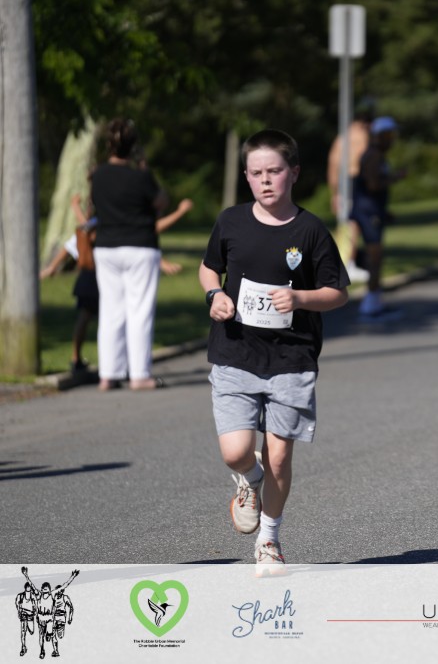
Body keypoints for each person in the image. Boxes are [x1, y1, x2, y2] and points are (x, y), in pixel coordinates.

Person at [199, 129, 349, 576]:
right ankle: (250, 477)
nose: (265, 180)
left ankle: (269, 540)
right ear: (246, 176)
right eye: (256, 173)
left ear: (294, 173)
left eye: (275, 171)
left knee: (280, 456)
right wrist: (214, 296)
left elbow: (338, 292)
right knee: (235, 451)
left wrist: (301, 298)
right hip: (235, 353)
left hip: (291, 360)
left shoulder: (310, 230)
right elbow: (209, 269)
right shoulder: (231, 222)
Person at [40, 194, 192, 375]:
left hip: (94, 275)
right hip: (98, 275)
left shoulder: (101, 223)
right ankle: (90, 360)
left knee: (97, 317)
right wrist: (180, 212)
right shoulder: (109, 224)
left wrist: (76, 209)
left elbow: (76, 239)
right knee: (105, 317)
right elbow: (141, 239)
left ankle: (102, 361)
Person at [90, 118, 169, 391]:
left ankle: (108, 374)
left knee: (110, 311)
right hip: (140, 246)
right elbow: (160, 201)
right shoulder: (140, 176)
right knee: (139, 311)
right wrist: (145, 167)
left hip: (106, 247)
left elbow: (94, 204)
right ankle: (139, 375)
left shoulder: (97, 175)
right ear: (134, 146)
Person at [351, 116, 406, 320]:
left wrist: (384, 211)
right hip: (368, 213)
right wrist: (395, 178)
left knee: (376, 258)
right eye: (389, 135)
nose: (392, 140)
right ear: (379, 136)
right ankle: (370, 306)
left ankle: (375, 302)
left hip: (373, 211)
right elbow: (373, 185)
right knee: (375, 258)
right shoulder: (373, 156)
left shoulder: (377, 155)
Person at [327, 98, 375, 282]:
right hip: (354, 182)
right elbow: (365, 163)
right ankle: (349, 263)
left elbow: (333, 164)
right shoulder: (362, 136)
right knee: (353, 224)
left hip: (343, 183)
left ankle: (345, 262)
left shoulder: (342, 137)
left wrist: (334, 193)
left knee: (346, 224)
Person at [21, 567, 78, 659]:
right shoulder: (39, 594)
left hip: (49, 619)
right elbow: (32, 585)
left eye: (46, 589)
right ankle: (42, 650)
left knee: (50, 633)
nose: (45, 590)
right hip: (41, 618)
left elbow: (64, 586)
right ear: (42, 589)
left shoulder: (52, 594)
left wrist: (73, 576)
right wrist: (25, 575)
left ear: (49, 589)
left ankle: (49, 634)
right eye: (43, 589)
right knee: (41, 636)